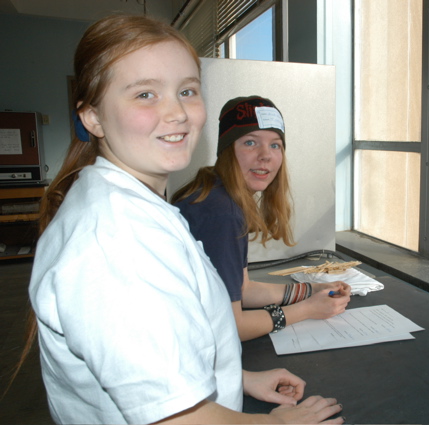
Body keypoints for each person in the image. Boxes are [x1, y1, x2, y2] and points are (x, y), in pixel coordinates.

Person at [26, 14, 344, 424]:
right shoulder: (115, 237)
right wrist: (277, 422)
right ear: (93, 118)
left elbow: (154, 357)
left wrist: (236, 378)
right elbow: (172, 418)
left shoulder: (139, 207)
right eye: (145, 94)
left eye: (187, 91)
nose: (176, 112)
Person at [172, 95, 351, 341]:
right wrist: (307, 310)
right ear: (227, 151)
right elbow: (230, 328)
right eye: (250, 142)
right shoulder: (220, 211)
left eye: (275, 145)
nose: (265, 155)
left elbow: (243, 290)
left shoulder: (218, 193)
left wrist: (311, 290)